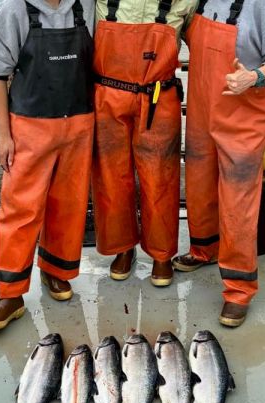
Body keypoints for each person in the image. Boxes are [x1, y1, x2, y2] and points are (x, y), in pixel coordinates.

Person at [172, 0, 265, 327]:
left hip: (243, 117)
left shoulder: (262, 4)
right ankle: (204, 248)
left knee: (238, 202)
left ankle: (239, 289)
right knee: (200, 183)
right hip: (203, 110)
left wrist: (255, 77)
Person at [0, 0, 95, 329]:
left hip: (80, 122)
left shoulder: (85, 5)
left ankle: (56, 271)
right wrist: (4, 135)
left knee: (69, 204)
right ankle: (11, 294)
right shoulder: (14, 9)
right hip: (30, 127)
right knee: (20, 208)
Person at [90, 0, 196, 287]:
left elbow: (205, 36)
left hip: (158, 98)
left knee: (160, 178)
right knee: (111, 178)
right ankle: (122, 248)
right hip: (108, 96)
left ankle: (162, 255)